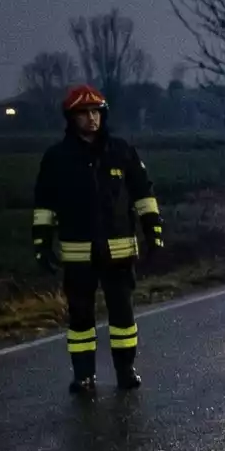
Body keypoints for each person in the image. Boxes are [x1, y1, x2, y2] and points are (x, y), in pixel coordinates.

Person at [33, 85, 163, 395]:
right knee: (80, 319)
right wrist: (41, 243)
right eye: (84, 114)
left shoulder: (122, 151)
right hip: (78, 254)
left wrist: (153, 232)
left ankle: (125, 370)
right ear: (71, 118)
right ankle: (84, 376)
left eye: (96, 112)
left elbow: (144, 195)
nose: (91, 119)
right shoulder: (57, 158)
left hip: (119, 252)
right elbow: (44, 205)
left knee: (123, 317)